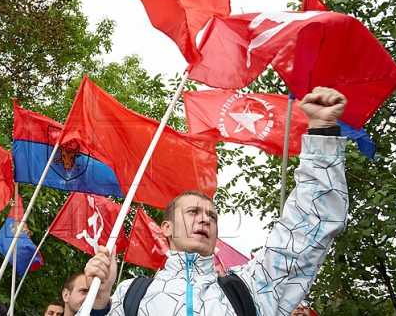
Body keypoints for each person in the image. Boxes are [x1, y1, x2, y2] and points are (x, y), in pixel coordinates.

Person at [85, 87, 349, 316]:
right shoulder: (131, 293)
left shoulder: (249, 288)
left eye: (212, 216)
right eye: (192, 212)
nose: (204, 219)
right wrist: (98, 302)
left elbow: (304, 230)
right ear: (166, 228)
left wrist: (322, 133)